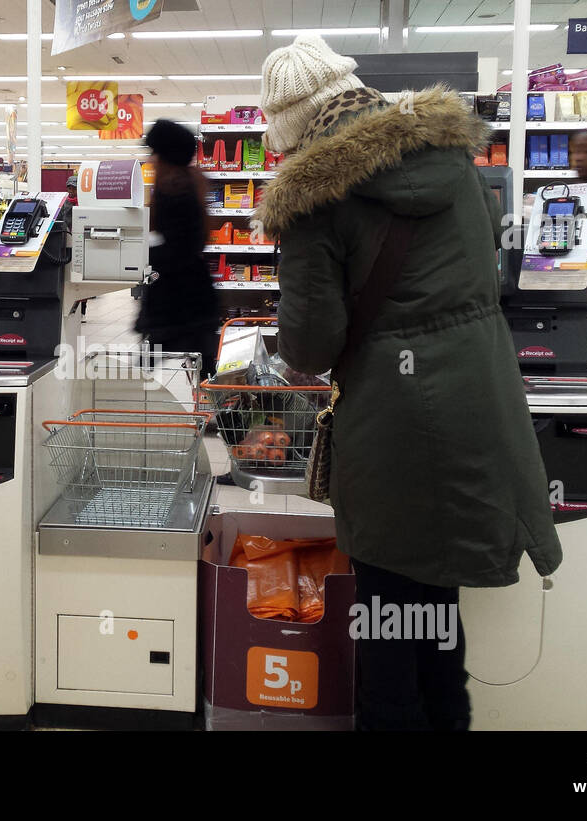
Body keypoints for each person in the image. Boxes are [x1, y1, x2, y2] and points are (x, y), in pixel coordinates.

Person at [254, 34, 562, 731]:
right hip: (479, 410)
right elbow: (492, 274)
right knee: (434, 620)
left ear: (292, 125)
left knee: (389, 631)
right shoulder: (456, 160)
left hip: (391, 434)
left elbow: (310, 346)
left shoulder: (312, 199)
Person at [135, 119, 220, 377]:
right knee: (203, 366)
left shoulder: (174, 191)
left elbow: (178, 247)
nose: (151, 159)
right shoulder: (190, 184)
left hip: (178, 299)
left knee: (147, 367)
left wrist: (148, 253)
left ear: (166, 156)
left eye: (154, 153)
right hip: (193, 295)